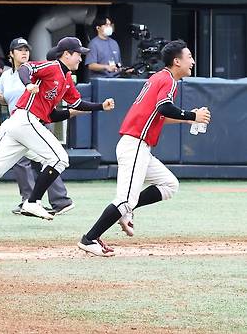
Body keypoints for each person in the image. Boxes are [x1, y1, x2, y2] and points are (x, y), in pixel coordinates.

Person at [0, 37, 115, 227]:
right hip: (25, 120)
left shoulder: (66, 79)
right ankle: (33, 201)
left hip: (24, 125)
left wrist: (100, 106)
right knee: (59, 158)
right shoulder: (53, 66)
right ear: (67, 54)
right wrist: (28, 84)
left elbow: (72, 105)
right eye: (78, 54)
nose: (81, 58)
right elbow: (25, 69)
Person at [78, 40, 211, 256]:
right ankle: (89, 238)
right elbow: (164, 107)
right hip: (135, 145)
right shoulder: (168, 79)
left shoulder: (159, 78)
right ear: (177, 61)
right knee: (125, 199)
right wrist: (192, 115)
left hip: (138, 145)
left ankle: (125, 211)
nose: (193, 61)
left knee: (169, 184)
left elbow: (159, 114)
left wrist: (186, 120)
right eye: (189, 57)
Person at [0, 38, 77, 216]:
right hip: (16, 123)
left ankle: (59, 200)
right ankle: (28, 201)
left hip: (35, 120)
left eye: (26, 50)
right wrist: (0, 99)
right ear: (11, 54)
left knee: (49, 159)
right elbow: (5, 100)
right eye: (19, 49)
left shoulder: (34, 70)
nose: (24, 52)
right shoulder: (6, 76)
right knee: (21, 163)